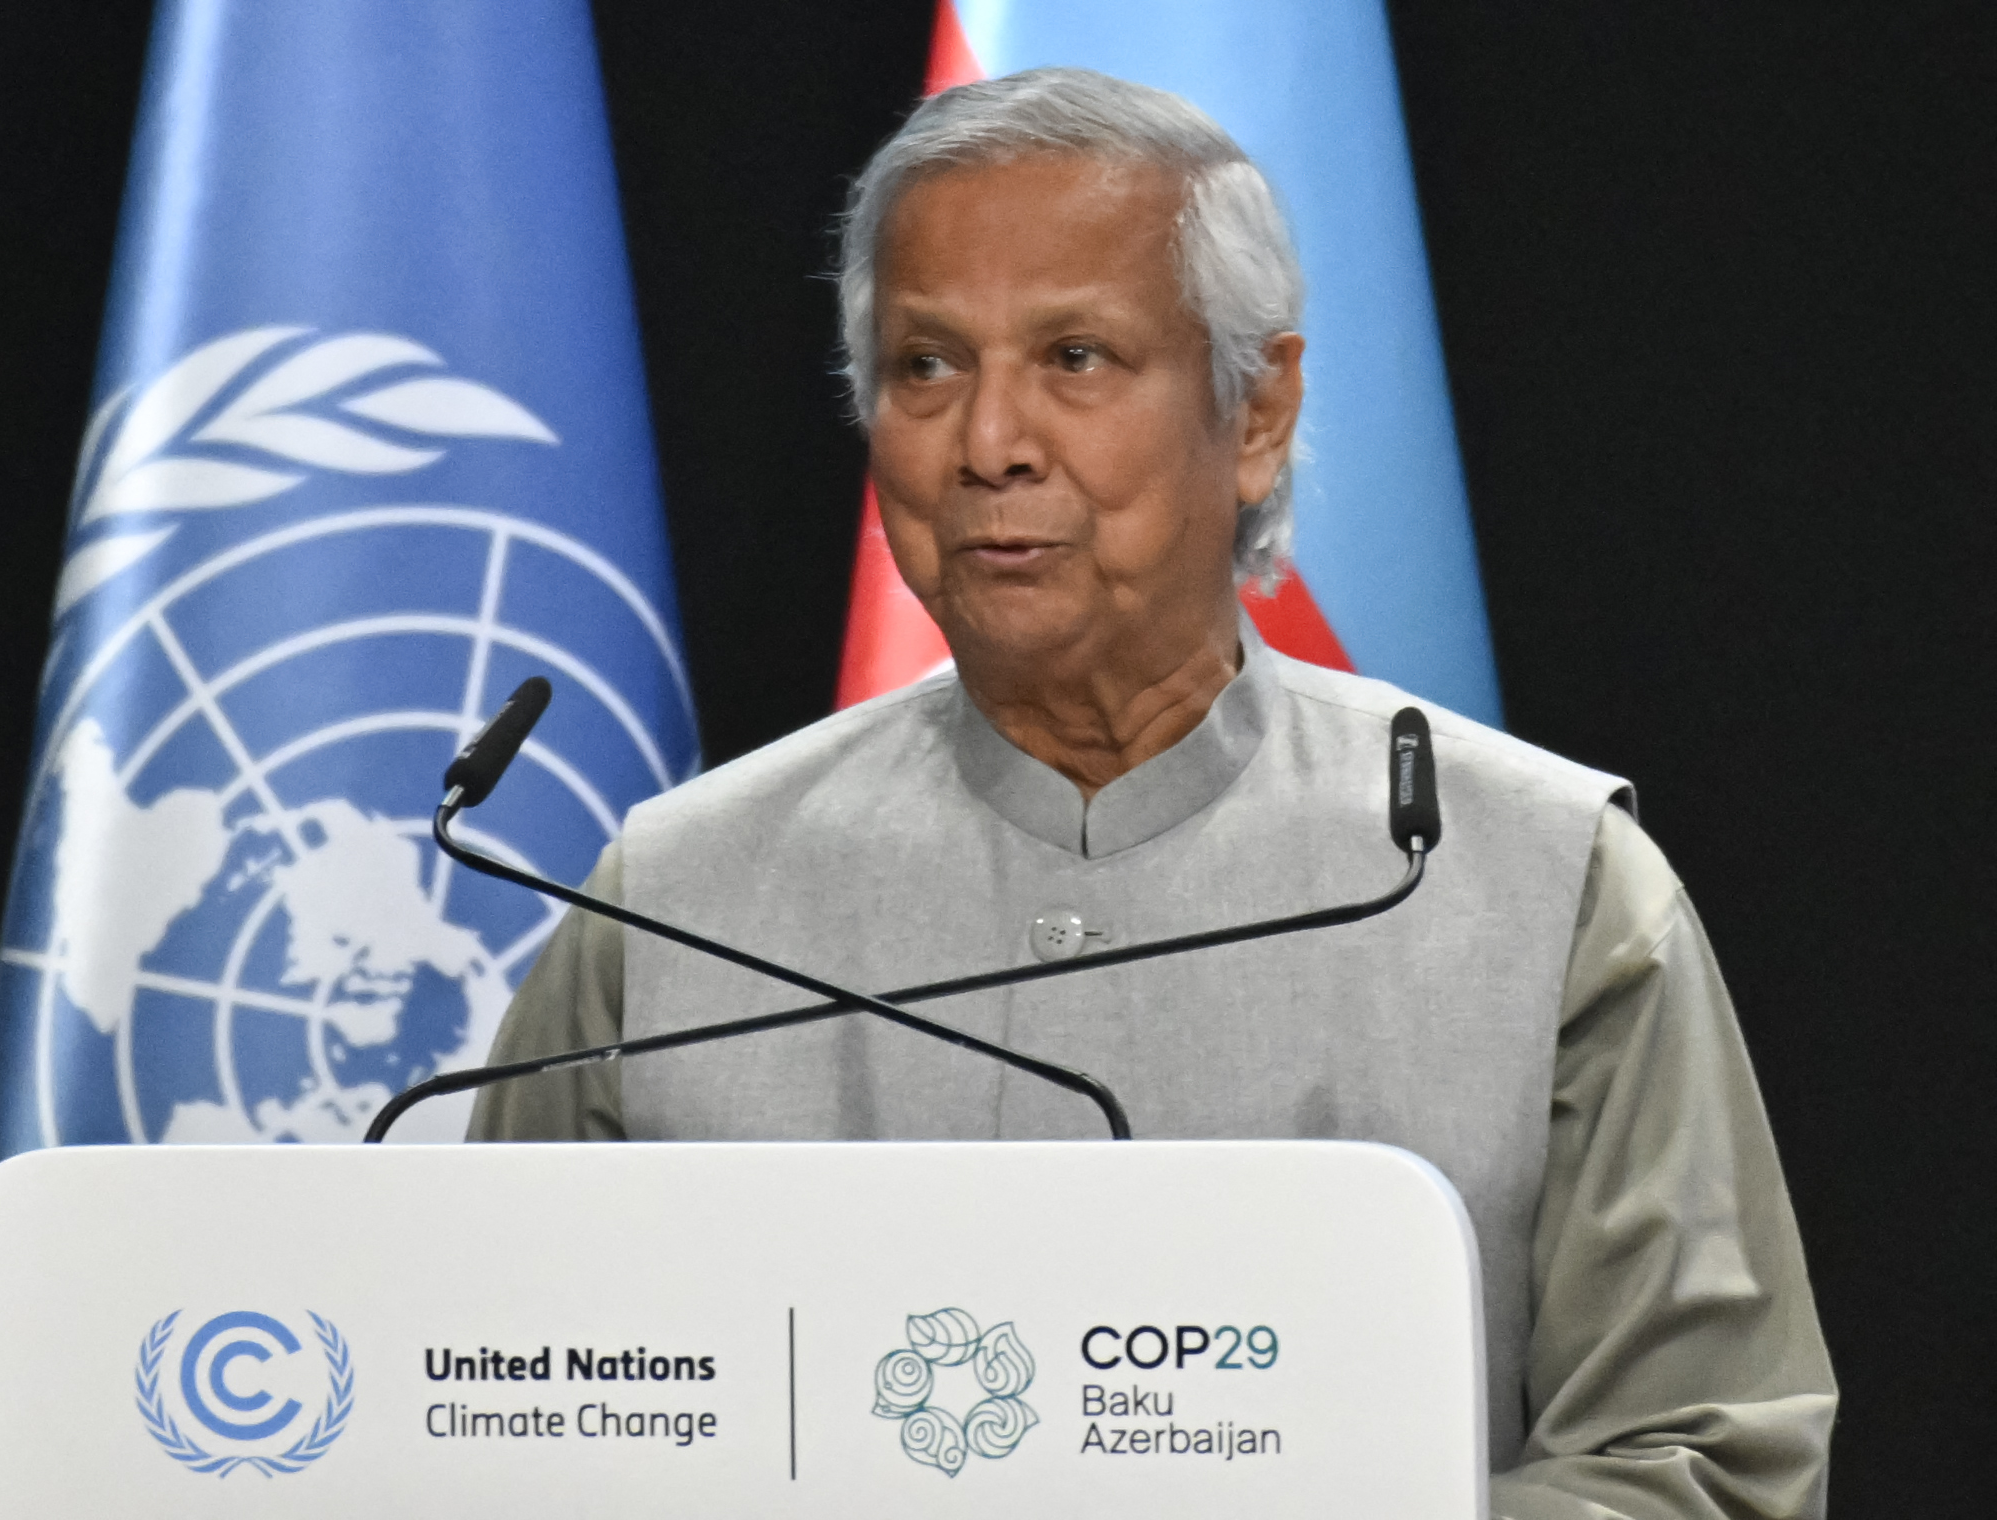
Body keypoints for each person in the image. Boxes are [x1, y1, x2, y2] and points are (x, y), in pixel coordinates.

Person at [470, 68, 1834, 1518]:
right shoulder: (674, 899)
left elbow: (1710, 1467)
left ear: (1255, 413)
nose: (989, 441)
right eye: (926, 364)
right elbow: (479, 1418)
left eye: (1075, 356)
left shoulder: (1537, 881)